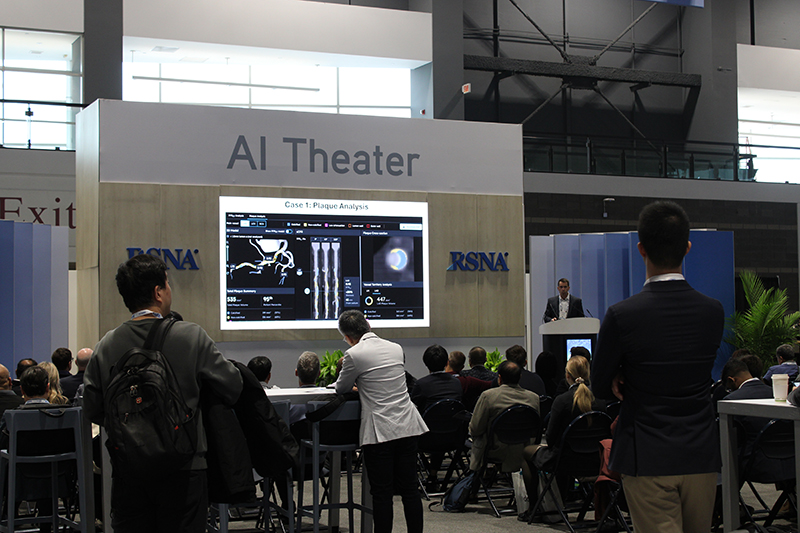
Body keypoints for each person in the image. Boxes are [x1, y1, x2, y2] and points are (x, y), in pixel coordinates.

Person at [83, 253, 242, 533]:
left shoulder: (106, 344)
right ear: (158, 292)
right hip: (185, 467)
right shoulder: (191, 336)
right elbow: (233, 387)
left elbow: (93, 408)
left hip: (129, 469)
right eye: (167, 284)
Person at [592, 200, 724, 533]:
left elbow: (599, 386)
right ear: (687, 247)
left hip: (646, 452)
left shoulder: (622, 315)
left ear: (641, 249)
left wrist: (620, 373)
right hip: (701, 452)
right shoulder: (712, 311)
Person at [334, 310, 427, 533]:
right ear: (368, 326)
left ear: (348, 337)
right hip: (407, 424)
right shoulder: (396, 348)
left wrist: (358, 385)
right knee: (410, 489)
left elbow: (341, 387)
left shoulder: (353, 354)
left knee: (382, 493)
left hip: (380, 430)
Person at [519, 356, 605, 521]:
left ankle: (534, 508)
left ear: (567, 375)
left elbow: (551, 439)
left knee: (527, 453)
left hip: (565, 461)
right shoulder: (600, 401)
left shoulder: (562, 401)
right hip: (596, 461)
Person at [469, 361, 540, 472]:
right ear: (520, 377)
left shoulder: (488, 396)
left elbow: (475, 429)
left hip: (496, 450)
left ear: (500, 378)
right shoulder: (534, 398)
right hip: (524, 449)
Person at [410, 344, 462, 412]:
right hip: (454, 418)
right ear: (447, 363)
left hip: (428, 419)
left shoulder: (420, 385)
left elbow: (413, 408)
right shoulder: (456, 382)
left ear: (426, 363)